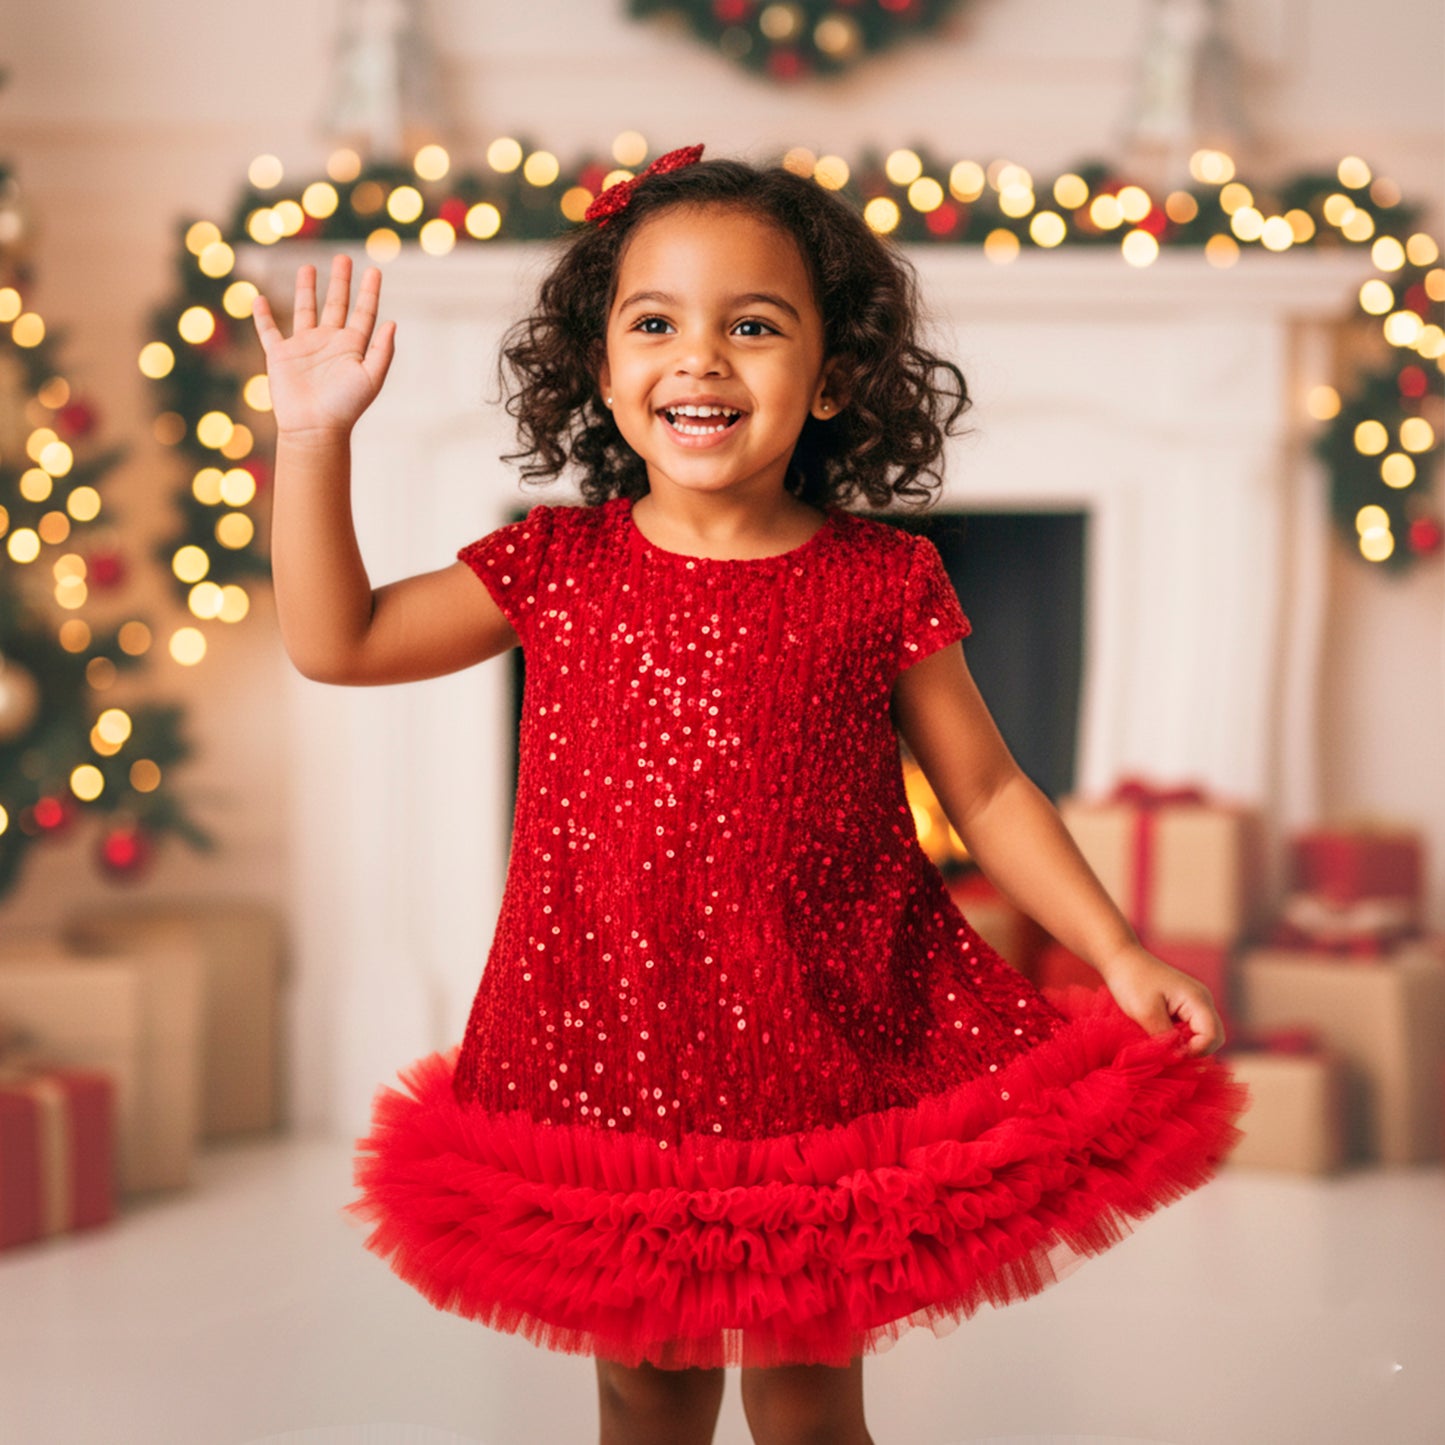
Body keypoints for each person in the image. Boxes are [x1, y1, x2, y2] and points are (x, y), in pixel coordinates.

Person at [252, 146, 1250, 1445]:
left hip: (820, 1054)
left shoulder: (880, 577)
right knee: (645, 1390)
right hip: (613, 1054)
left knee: (805, 1398)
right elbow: (338, 642)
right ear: (601, 368)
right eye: (655, 323)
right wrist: (312, 439)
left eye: (754, 326)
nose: (700, 358)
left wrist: (1112, 948)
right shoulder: (552, 563)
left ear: (830, 373)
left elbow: (991, 788)